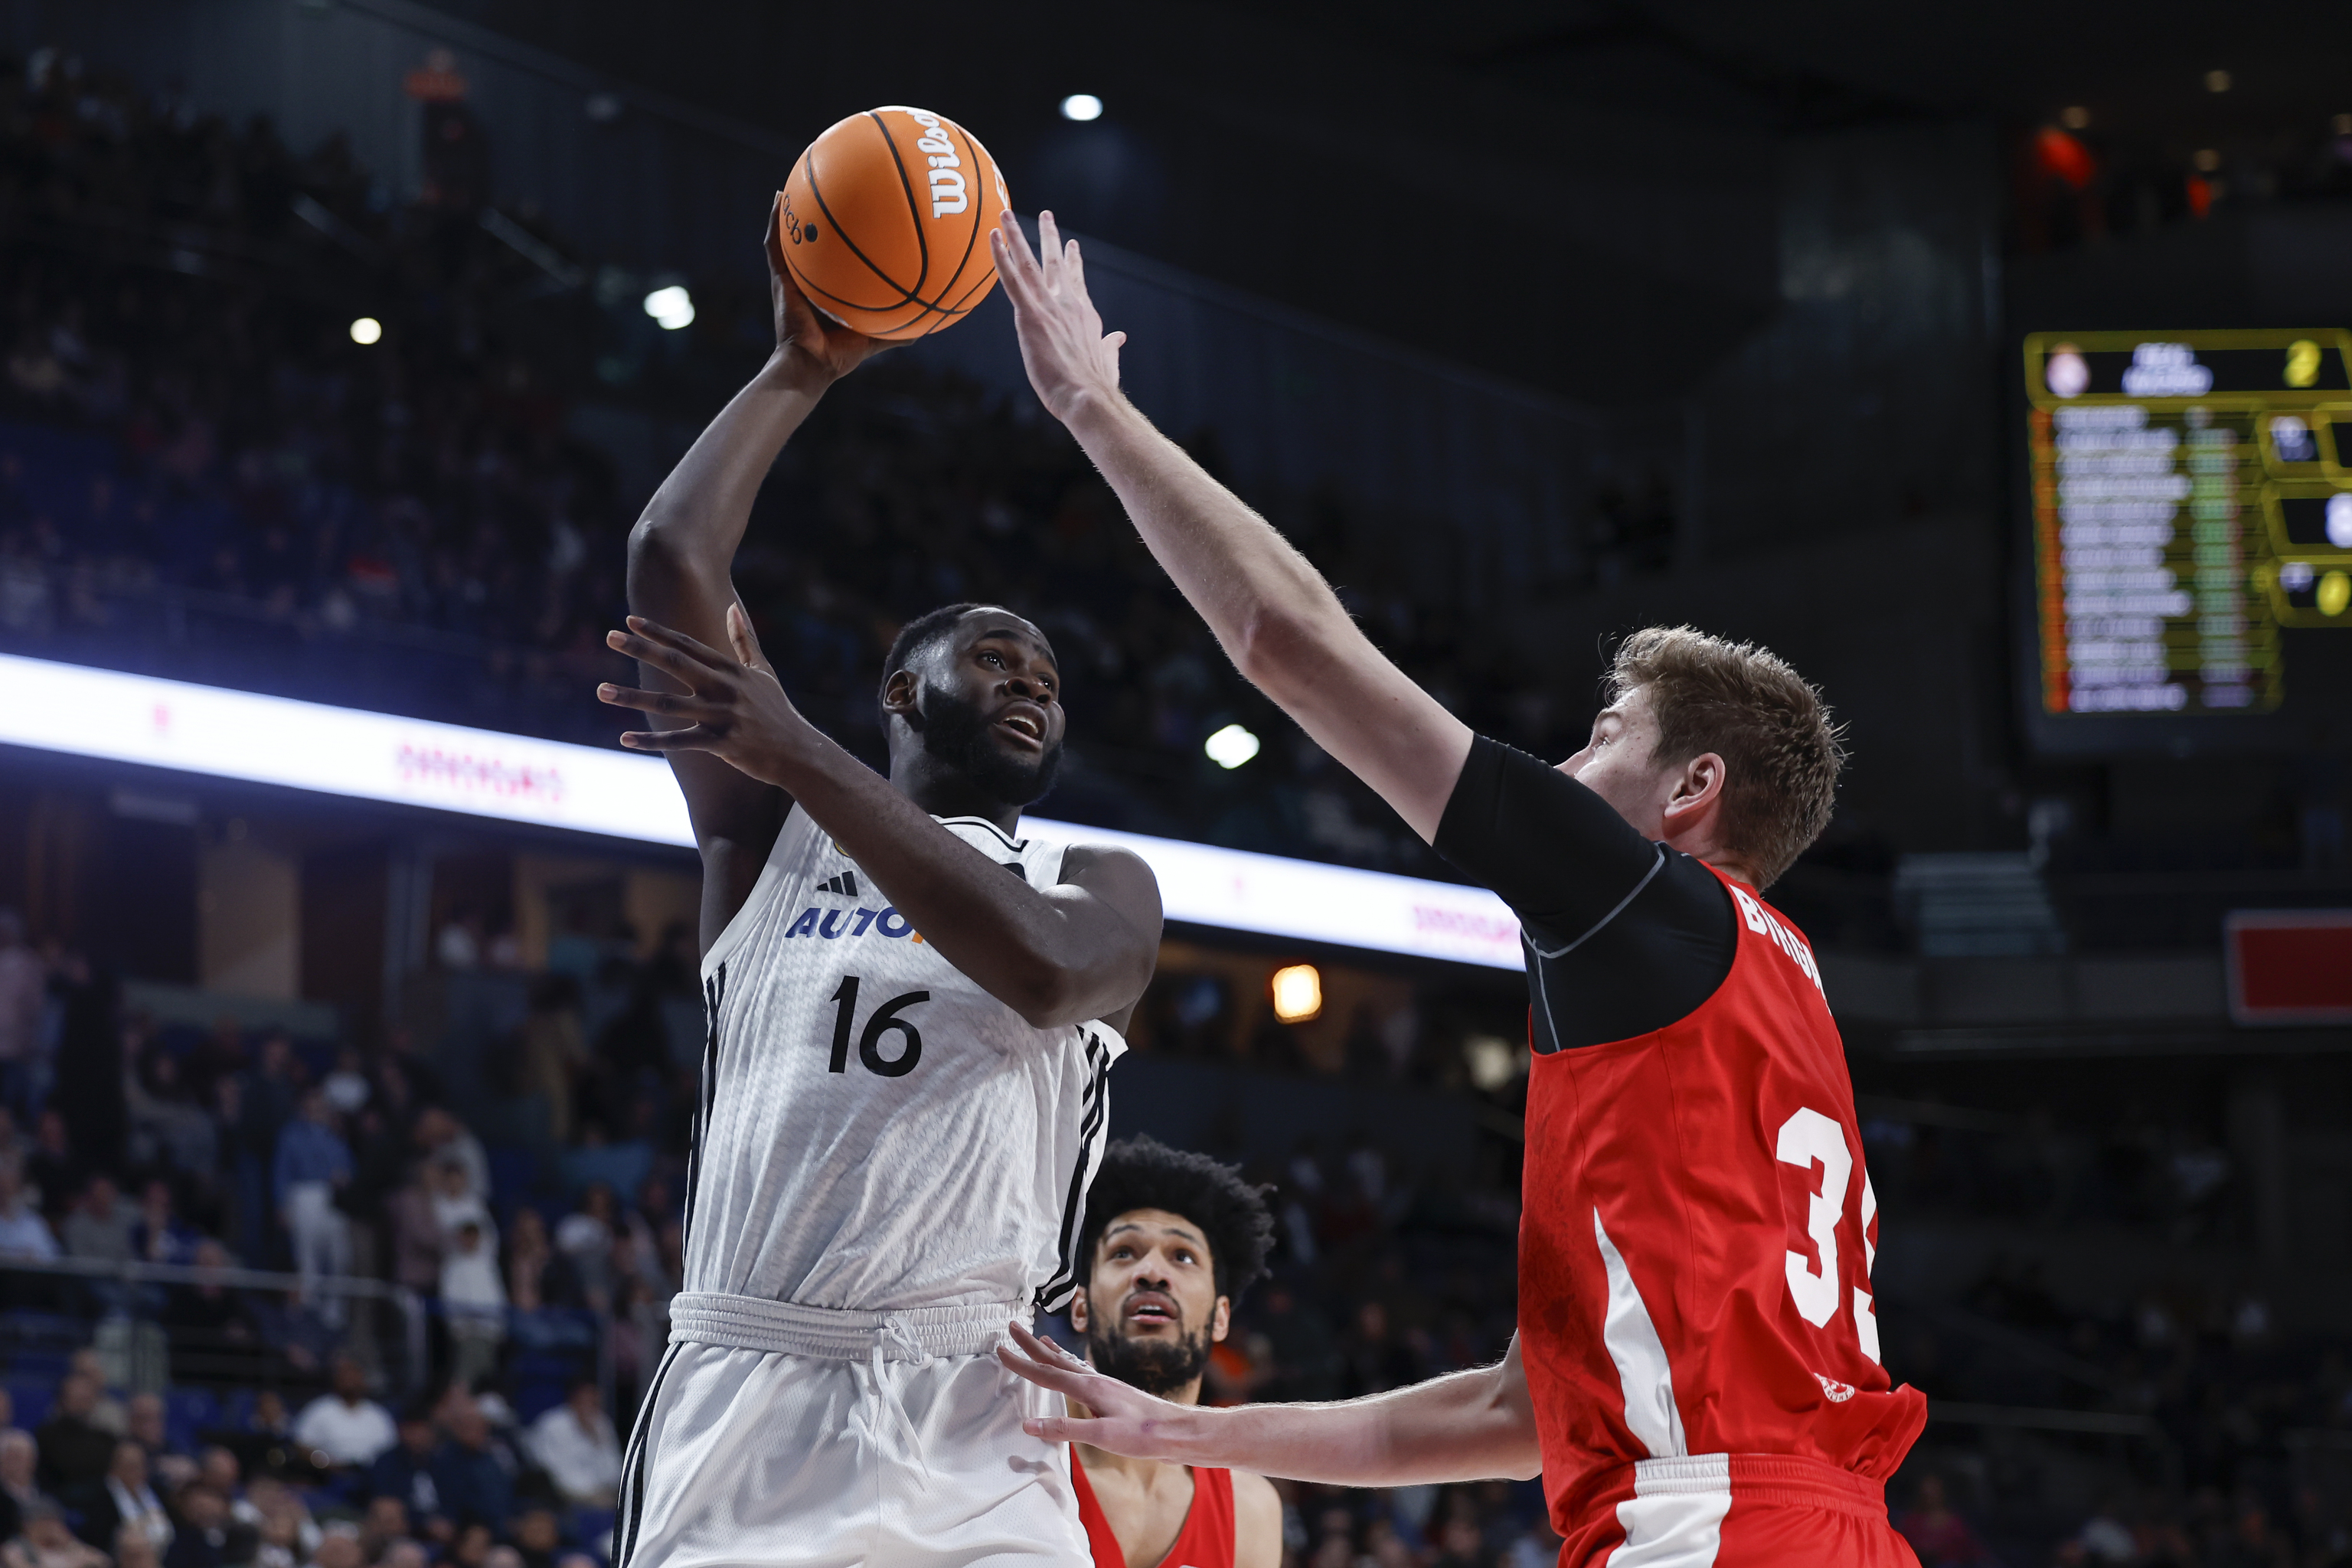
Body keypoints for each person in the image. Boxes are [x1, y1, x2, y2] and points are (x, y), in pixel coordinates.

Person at [990, 211, 1926, 1568]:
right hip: (1834, 1531)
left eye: (1604, 733)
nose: (1562, 756)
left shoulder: (1644, 903)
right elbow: (1507, 1408)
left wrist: (1091, 408)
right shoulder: (1777, 991)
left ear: (1690, 791)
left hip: (1711, 1529)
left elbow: (1287, 642)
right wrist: (1183, 1428)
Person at [593, 200, 1163, 1568]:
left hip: (979, 1401)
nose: (1033, 685)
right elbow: (670, 560)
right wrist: (804, 366)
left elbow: (1041, 969)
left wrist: (799, 749)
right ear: (904, 689)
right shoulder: (764, 835)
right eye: (999, 660)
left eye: (1049, 678)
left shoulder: (1099, 877)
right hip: (749, 1386)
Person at [1063, 1138, 1282, 1568]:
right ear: (1081, 1306)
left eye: (1183, 1257)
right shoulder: (1012, 1449)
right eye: (1123, 1252)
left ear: (1221, 1318)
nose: (1152, 1273)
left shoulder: (1251, 1509)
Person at [273, 1091, 354, 1323]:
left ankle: (335, 1308)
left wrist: (345, 1177)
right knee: (307, 1256)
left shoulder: (335, 1135)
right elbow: (281, 1172)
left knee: (340, 1254)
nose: (317, 1111)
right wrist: (282, 1205)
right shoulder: (291, 1135)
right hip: (304, 1194)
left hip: (333, 1196)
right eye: (312, 1107)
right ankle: (309, 1307)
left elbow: (349, 1167)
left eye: (321, 1107)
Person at [521, 1382, 617, 1508]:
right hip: (566, 1495)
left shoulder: (602, 1423)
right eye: (585, 1401)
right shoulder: (553, 1425)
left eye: (594, 1402)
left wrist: (596, 1441)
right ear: (574, 1399)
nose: (590, 1406)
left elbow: (615, 1467)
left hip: (605, 1492)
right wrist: (592, 1496)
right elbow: (554, 1473)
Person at [292, 1358, 397, 1471]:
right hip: (328, 1476)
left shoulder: (378, 1415)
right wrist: (326, 1464)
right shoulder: (318, 1410)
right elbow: (301, 1446)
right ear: (336, 1379)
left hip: (372, 1475)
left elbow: (391, 1448)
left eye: (354, 1376)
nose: (349, 1380)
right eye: (345, 1376)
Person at [81, 1441, 172, 1554]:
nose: (138, 1472)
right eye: (130, 1466)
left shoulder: (158, 1492)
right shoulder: (101, 1500)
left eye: (141, 1465)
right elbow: (100, 1540)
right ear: (114, 1468)